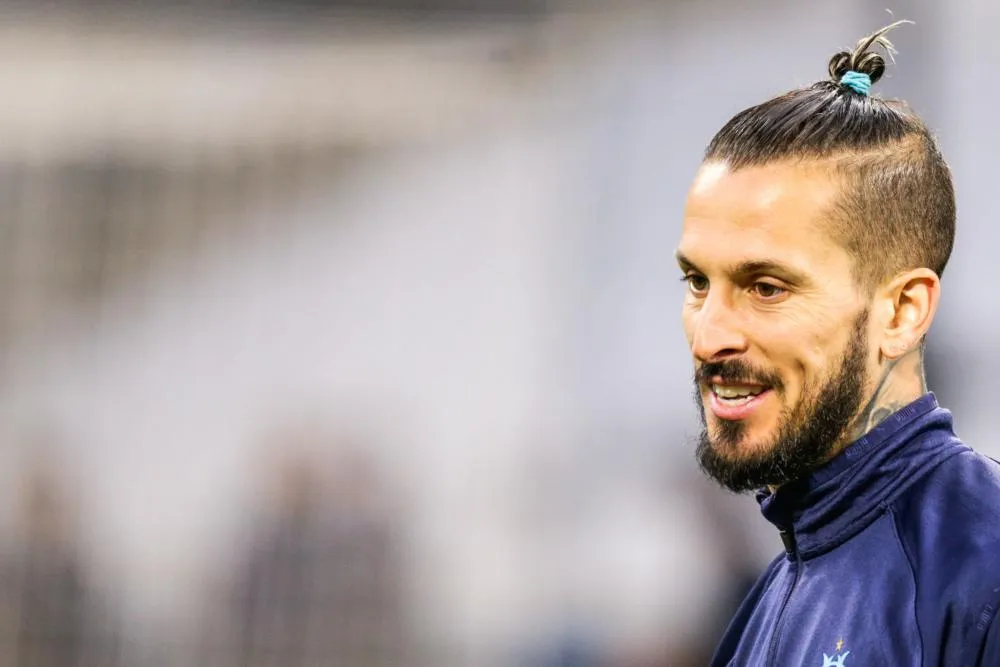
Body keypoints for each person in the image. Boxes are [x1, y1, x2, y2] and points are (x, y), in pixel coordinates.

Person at [674, 21, 1000, 666]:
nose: (710, 336)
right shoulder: (766, 607)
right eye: (698, 282)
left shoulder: (981, 572)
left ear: (902, 311)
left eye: (766, 287)